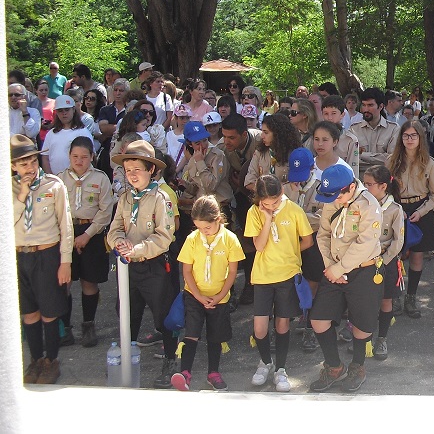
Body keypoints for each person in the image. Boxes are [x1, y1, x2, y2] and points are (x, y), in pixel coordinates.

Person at [106, 139, 178, 388]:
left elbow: (163, 237)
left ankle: (171, 359)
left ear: (151, 170)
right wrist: (119, 243)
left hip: (154, 265)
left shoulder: (160, 199)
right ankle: (127, 358)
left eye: (138, 169)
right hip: (128, 266)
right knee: (127, 312)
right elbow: (115, 228)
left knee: (163, 315)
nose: (132, 175)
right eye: (128, 170)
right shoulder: (125, 198)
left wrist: (136, 249)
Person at [308, 164, 383, 393]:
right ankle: (334, 366)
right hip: (334, 270)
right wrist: (331, 267)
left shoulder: (369, 205)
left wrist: (339, 269)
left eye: (338, 195)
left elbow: (365, 244)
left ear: (351, 187)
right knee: (318, 319)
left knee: (361, 325)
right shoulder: (333, 199)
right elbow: (323, 234)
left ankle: (357, 366)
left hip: (364, 269)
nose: (334, 200)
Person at [12, 134, 73, 384]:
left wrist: (65, 261)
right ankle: (35, 359)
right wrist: (22, 194)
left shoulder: (53, 185)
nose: (29, 167)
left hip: (47, 254)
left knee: (49, 311)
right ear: (13, 166)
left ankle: (51, 360)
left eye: (32, 161)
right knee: (29, 312)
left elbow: (65, 225)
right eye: (23, 163)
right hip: (19, 255)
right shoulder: (9, 188)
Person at [246, 174, 314, 392]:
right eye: (266, 204)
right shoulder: (254, 212)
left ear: (282, 193)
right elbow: (259, 245)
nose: (271, 207)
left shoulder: (294, 210)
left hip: (287, 274)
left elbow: (307, 240)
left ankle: (281, 369)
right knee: (259, 327)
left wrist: (291, 253)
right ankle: (265, 362)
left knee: (282, 324)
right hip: (263, 276)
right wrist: (267, 218)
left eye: (274, 202)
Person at [171, 195, 245, 392]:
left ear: (218, 219)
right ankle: (185, 373)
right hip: (194, 295)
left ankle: (213, 373)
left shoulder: (230, 239)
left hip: (219, 297)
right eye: (199, 227)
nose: (203, 231)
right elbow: (186, 271)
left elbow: (232, 272)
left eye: (207, 227)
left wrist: (220, 296)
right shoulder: (192, 239)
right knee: (192, 333)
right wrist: (198, 295)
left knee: (215, 336)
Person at [56, 136, 116, 348]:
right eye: (75, 156)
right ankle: (65, 328)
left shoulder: (101, 178)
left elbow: (105, 211)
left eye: (84, 157)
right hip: (66, 232)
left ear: (92, 156)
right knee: (64, 282)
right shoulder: (59, 180)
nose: (79, 161)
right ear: (69, 156)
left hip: (92, 232)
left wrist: (87, 235)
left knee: (89, 281)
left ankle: (88, 325)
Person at [388, 119, 434, 318]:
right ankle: (395, 296)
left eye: (413, 135)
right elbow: (384, 191)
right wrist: (396, 209)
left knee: (417, 256)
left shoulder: (429, 163)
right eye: (406, 135)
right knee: (394, 256)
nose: (409, 139)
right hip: (397, 210)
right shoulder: (392, 161)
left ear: (420, 138)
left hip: (421, 210)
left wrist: (421, 211)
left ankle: (411, 297)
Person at [362, 165, 404, 360]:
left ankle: (382, 338)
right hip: (364, 261)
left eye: (369, 184)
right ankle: (364, 338)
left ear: (383, 186)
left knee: (385, 300)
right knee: (366, 302)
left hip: (385, 261)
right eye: (364, 183)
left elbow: (398, 241)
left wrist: (383, 261)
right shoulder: (361, 205)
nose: (365, 187)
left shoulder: (394, 210)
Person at [219, 113, 260, 303]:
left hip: (264, 195)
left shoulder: (260, 141)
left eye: (231, 137)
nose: (226, 141)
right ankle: (250, 284)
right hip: (242, 196)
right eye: (224, 136)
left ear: (244, 134)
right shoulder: (223, 149)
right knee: (247, 238)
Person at [244, 113, 303, 202]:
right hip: (264, 202)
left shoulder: (295, 155)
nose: (262, 136)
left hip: (287, 202)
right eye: (262, 131)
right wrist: (267, 191)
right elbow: (249, 182)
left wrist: (277, 192)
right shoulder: (260, 153)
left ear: (278, 134)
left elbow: (298, 185)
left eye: (266, 132)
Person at [350, 87, 398, 178]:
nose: (366, 109)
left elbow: (392, 159)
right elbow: (351, 158)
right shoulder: (354, 129)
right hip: (360, 179)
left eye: (370, 105)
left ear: (381, 106)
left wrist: (362, 154)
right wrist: (380, 158)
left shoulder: (393, 129)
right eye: (363, 105)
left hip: (383, 179)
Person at [41, 95, 94, 175]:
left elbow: (89, 158)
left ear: (73, 110)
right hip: (54, 179)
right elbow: (45, 157)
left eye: (67, 110)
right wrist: (51, 177)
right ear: (56, 112)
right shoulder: (51, 133)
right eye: (60, 110)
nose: (64, 113)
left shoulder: (83, 132)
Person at [320, 95, 360, 174]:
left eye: (333, 113)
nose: (329, 118)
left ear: (342, 115)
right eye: (326, 114)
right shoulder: (316, 137)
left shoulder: (350, 140)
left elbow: (353, 170)